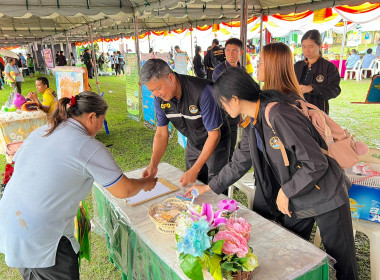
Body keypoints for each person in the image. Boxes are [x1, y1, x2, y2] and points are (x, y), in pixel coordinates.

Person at [185, 67, 358, 280]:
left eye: (222, 102)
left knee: (343, 264)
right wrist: (209, 187)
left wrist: (286, 191)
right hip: (298, 199)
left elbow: (316, 163)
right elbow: (239, 162)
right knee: (293, 256)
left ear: (235, 99)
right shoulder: (252, 122)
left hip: (326, 195)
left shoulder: (278, 114)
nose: (221, 107)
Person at [0, 91, 157, 280]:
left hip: (12, 224)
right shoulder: (87, 146)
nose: (101, 127)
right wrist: (145, 182)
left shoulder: (43, 131)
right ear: (92, 117)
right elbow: (124, 190)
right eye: (102, 121)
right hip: (43, 236)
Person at [140, 59, 230, 186]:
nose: (156, 94)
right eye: (152, 91)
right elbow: (161, 133)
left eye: (158, 88)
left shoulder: (203, 92)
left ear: (170, 78)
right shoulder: (159, 98)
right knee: (193, 186)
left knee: (215, 187)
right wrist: (153, 165)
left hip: (216, 144)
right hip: (193, 143)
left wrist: (195, 169)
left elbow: (214, 135)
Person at [212, 38, 245, 163]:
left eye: (234, 50)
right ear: (224, 51)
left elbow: (241, 94)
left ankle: (227, 173)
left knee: (231, 146)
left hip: (235, 115)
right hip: (221, 115)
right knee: (220, 146)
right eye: (228, 50)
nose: (231, 53)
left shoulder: (242, 70)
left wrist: (240, 115)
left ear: (241, 52)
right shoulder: (219, 70)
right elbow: (219, 93)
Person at [294, 30, 341, 114]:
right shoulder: (297, 66)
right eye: (304, 47)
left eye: (311, 46)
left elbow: (335, 90)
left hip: (318, 112)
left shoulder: (329, 67)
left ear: (320, 46)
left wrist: (312, 88)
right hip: (298, 111)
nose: (307, 50)